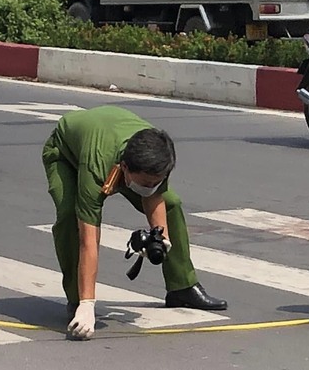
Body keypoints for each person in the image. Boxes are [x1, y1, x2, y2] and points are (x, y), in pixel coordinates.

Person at [42, 105, 227, 339]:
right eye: (145, 183)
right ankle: (78, 300)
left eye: (155, 182)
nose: (149, 188)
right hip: (66, 155)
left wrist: (161, 239)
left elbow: (155, 197)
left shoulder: (159, 156)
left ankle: (182, 286)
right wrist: (88, 304)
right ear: (125, 169)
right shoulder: (96, 166)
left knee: (172, 204)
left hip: (115, 146)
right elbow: (88, 240)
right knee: (70, 217)